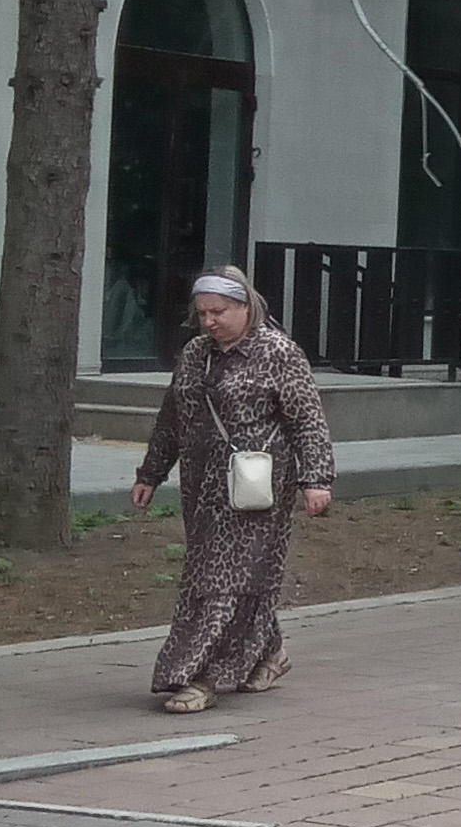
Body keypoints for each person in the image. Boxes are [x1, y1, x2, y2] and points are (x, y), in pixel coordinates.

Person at [131, 266, 334, 713]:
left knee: (220, 581)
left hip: (255, 490)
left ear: (245, 307)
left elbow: (307, 420)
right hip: (202, 486)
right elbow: (171, 419)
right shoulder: (194, 354)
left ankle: (197, 676)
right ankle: (270, 652)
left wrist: (316, 480)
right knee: (238, 577)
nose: (209, 321)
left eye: (219, 312)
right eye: (202, 313)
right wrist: (151, 473)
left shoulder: (278, 353)